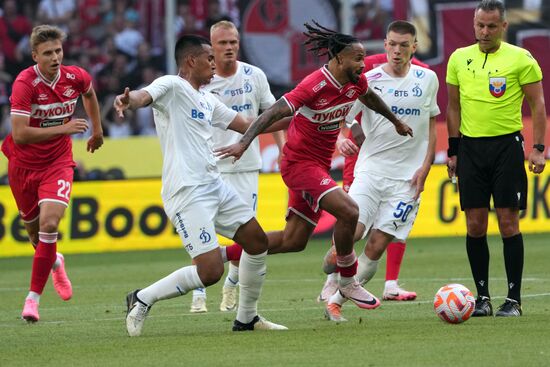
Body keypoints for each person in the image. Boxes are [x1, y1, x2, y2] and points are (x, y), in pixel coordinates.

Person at [216, 21, 412, 312]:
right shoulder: (313, 85)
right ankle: (347, 279)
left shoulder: (355, 82)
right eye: (357, 58)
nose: (363, 63)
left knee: (294, 240)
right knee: (350, 211)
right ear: (338, 59)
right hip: (299, 165)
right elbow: (272, 113)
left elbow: (369, 97)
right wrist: (244, 142)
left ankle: (218, 254)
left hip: (318, 165)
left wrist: (395, 121)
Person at [114, 34, 287, 336]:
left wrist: (296, 114)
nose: (214, 64)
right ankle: (142, 298)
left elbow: (249, 125)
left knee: (257, 242)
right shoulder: (172, 86)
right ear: (191, 61)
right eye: (209, 58)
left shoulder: (208, 100)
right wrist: (131, 101)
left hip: (215, 185)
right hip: (187, 192)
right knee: (210, 273)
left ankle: (247, 318)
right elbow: (145, 96)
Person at [322, 20, 439, 322]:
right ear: (385, 45)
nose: (397, 50)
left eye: (404, 45)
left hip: (406, 182)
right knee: (354, 232)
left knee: (376, 246)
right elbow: (340, 115)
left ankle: (336, 301)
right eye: (392, 44)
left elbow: (430, 125)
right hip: (371, 172)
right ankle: (336, 266)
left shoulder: (428, 79)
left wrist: (426, 168)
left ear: (414, 47)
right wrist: (345, 136)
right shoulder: (368, 80)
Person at [446, 0, 547, 317]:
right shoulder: (459, 59)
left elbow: (538, 105)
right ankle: (482, 298)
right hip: (471, 150)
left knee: (507, 222)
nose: (485, 31)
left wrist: (539, 148)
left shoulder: (521, 59)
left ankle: (514, 301)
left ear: (504, 26)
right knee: (475, 225)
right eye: (480, 25)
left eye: (491, 25)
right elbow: (453, 108)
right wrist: (453, 150)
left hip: (507, 148)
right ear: (473, 23)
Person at [1, 24, 104, 322]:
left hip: (58, 163)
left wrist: (97, 131)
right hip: (23, 166)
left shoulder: (75, 76)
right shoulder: (25, 83)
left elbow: (90, 93)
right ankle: (56, 262)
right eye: (48, 53)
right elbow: (19, 134)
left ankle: (32, 300)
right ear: (35, 55)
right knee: (35, 235)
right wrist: (66, 127)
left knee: (49, 223)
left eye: (58, 51)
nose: (55, 57)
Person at [189, 20, 285, 313]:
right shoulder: (201, 81)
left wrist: (283, 149)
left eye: (233, 42)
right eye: (222, 43)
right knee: (202, 231)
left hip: (245, 167)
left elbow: (271, 114)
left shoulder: (254, 76)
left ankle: (231, 285)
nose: (228, 48)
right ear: (211, 47)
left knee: (246, 234)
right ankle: (199, 292)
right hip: (210, 167)